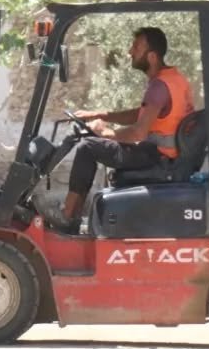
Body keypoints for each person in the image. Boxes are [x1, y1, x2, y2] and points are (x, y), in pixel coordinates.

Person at [54, 26, 195, 232]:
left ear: (152, 56)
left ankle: (67, 216)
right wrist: (99, 115)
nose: (130, 52)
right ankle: (72, 216)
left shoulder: (158, 87)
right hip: (165, 155)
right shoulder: (174, 80)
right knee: (95, 145)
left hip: (158, 158)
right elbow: (143, 114)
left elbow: (138, 132)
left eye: (136, 47)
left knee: (87, 148)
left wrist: (107, 133)